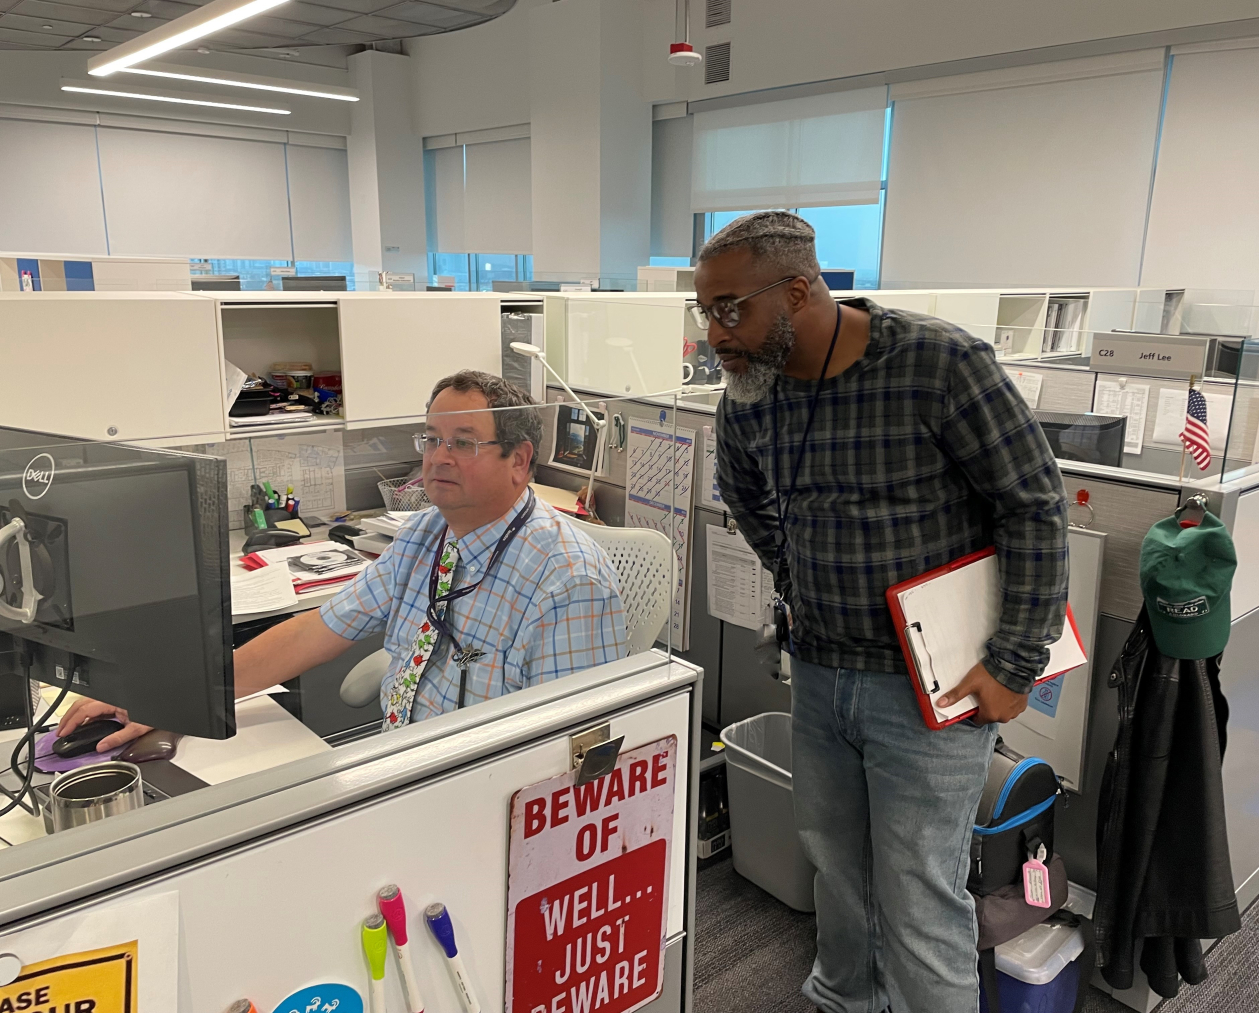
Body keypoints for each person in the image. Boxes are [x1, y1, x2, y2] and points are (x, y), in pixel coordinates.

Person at [698, 212, 1069, 1013]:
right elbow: (749, 500)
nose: (714, 332)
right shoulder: (749, 396)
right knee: (836, 869)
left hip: (927, 690)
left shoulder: (937, 365)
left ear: (798, 289)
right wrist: (800, 577)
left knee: (917, 893)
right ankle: (845, 1000)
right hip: (821, 672)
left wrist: (1016, 662)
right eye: (704, 311)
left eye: (730, 308)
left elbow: (1033, 507)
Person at [59, 370, 627, 748]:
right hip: (403, 763)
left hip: (481, 795)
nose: (438, 457)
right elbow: (315, 631)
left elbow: (573, 752)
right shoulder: (427, 534)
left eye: (464, 441)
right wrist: (174, 696)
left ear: (520, 461)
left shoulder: (567, 580)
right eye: (430, 439)